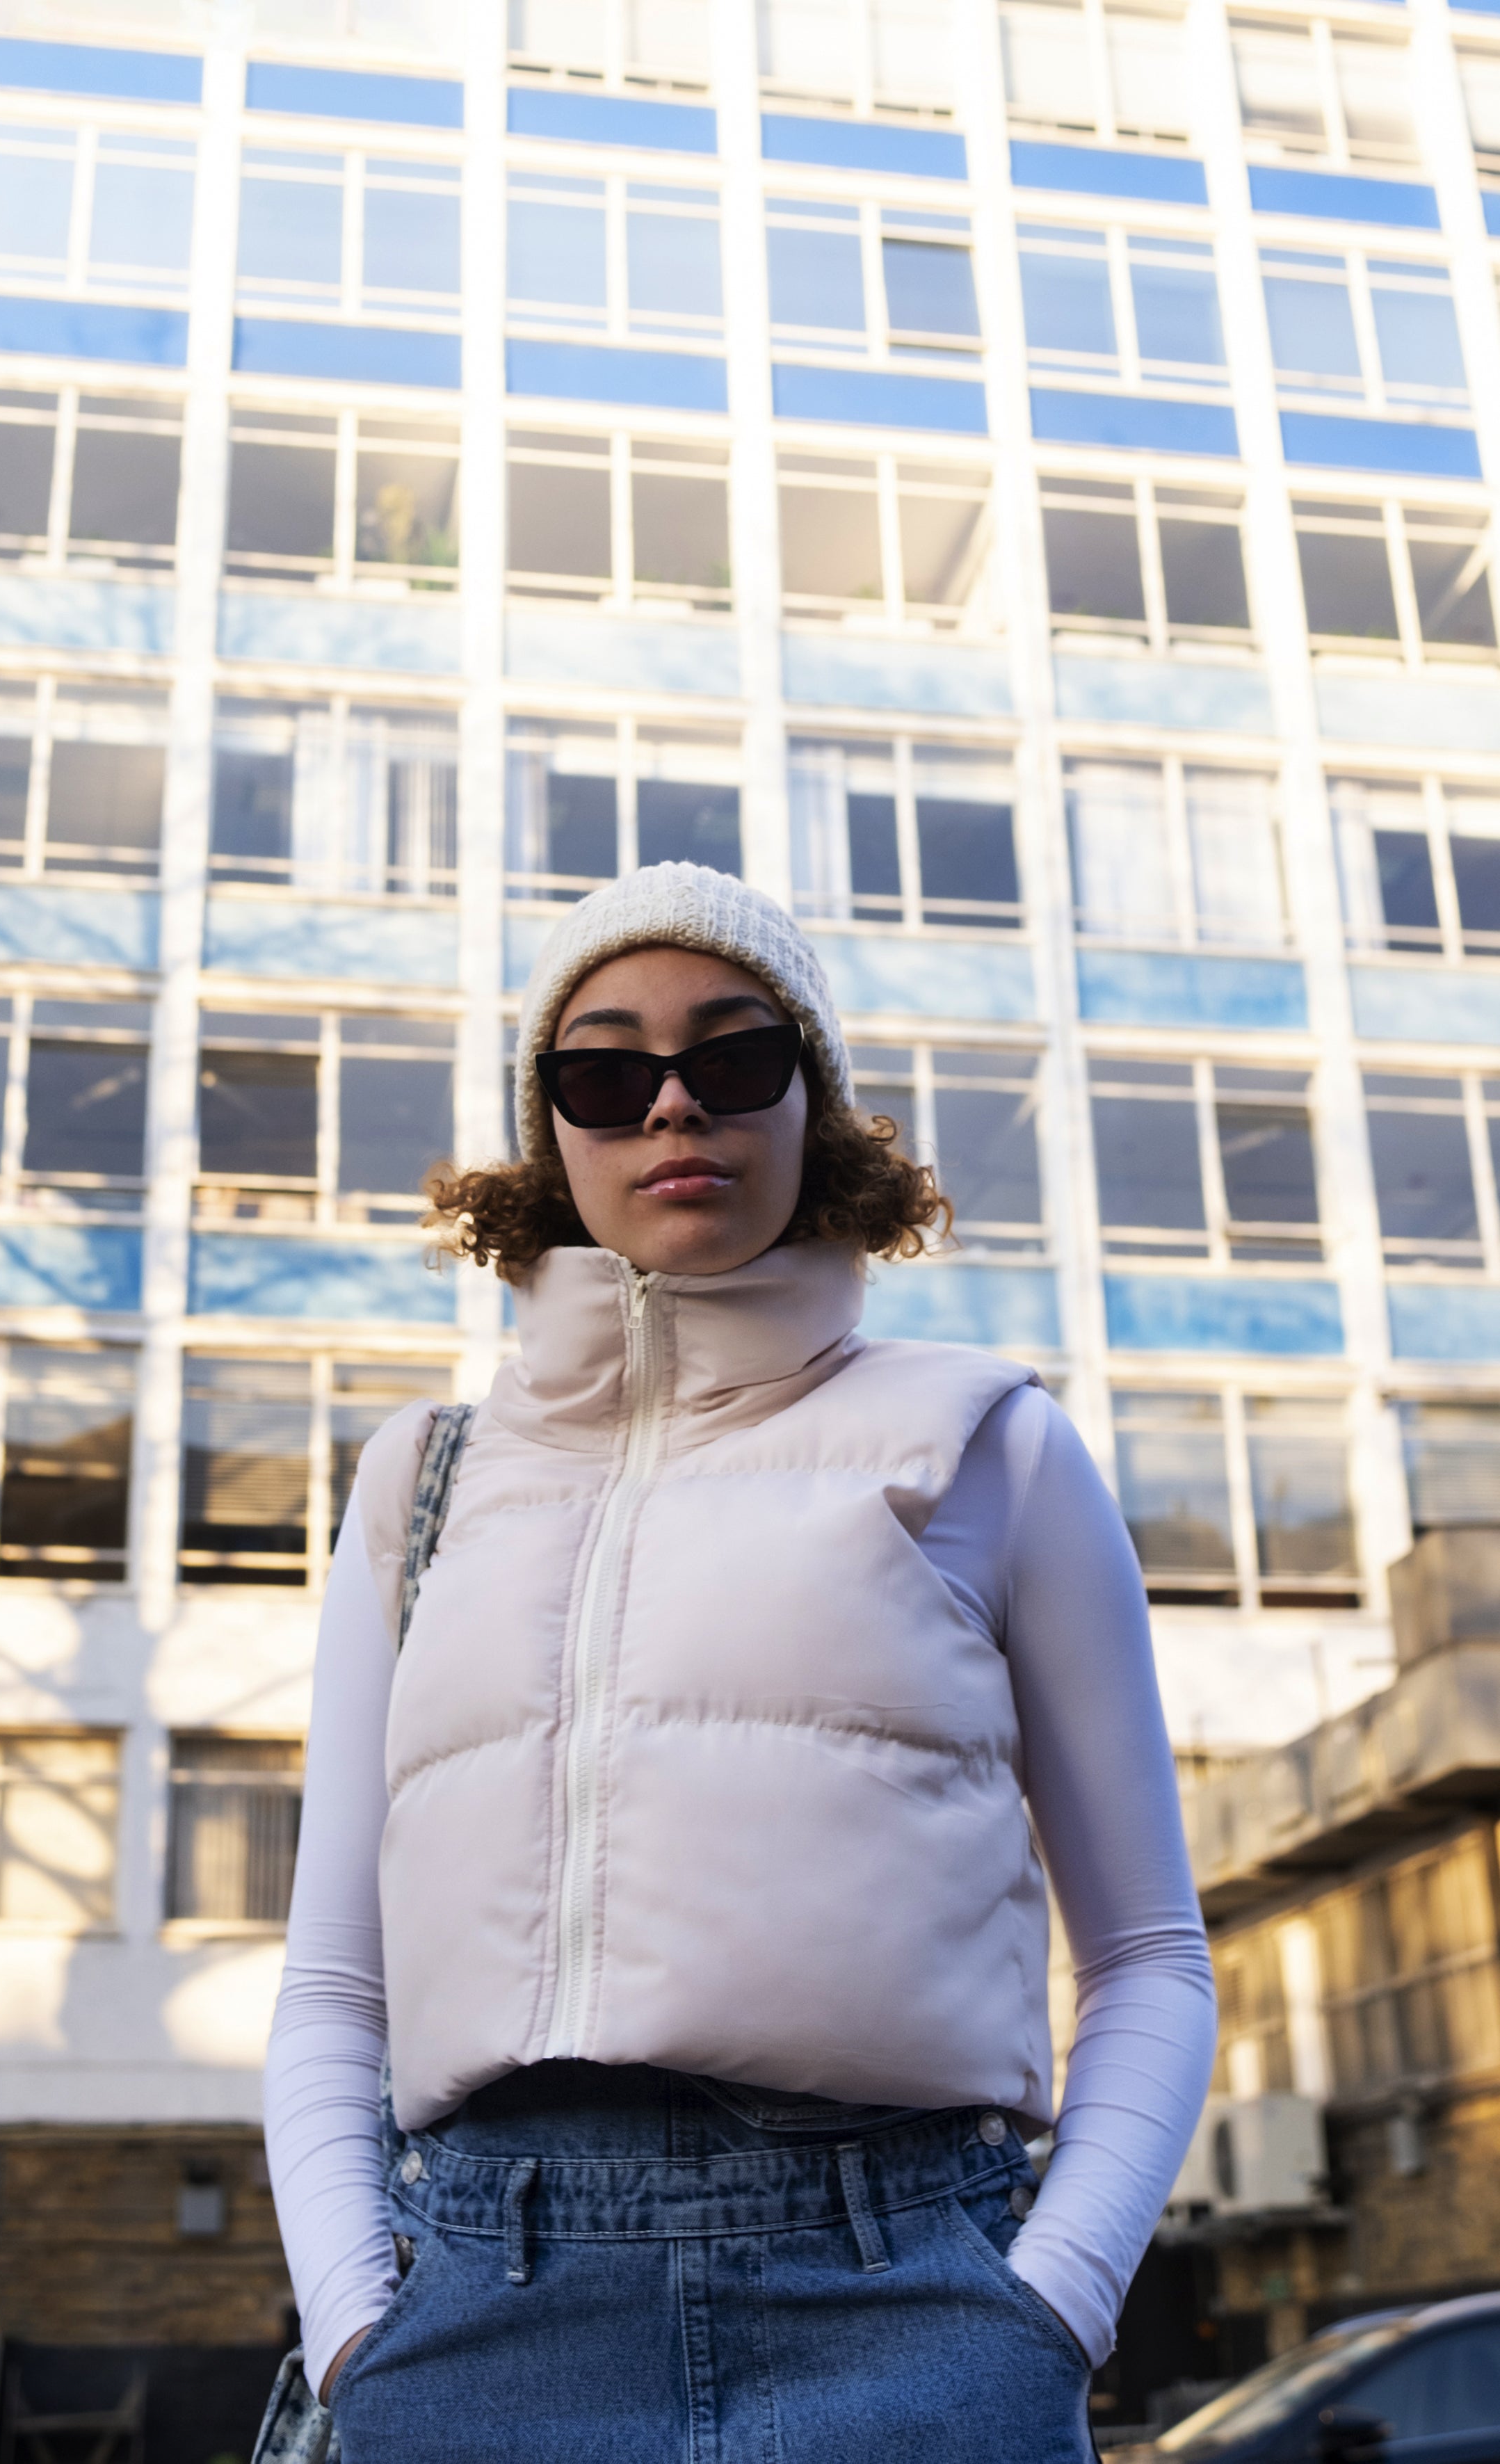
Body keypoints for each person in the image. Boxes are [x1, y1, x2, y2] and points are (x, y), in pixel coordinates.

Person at [263, 863, 1216, 2464]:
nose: (671, 1105)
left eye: (733, 1054)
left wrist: (1048, 2305)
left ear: (810, 1101)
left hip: (914, 2312)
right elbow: (332, 1984)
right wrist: (356, 2319)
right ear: (549, 1128)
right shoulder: (421, 1480)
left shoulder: (992, 1444)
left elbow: (1147, 1952)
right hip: (480, 2320)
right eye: (603, 1072)